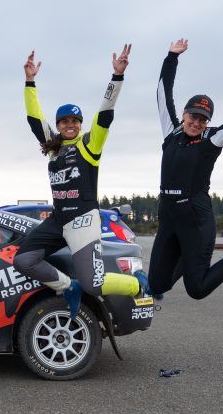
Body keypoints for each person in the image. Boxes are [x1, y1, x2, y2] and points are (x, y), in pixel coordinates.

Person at [13, 46, 142, 319]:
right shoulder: (53, 146)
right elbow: (34, 118)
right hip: (58, 220)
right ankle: (67, 287)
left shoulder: (89, 144)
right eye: (64, 121)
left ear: (81, 123)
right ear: (58, 125)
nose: (69, 124)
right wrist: (29, 81)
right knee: (23, 260)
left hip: (83, 221)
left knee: (93, 284)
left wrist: (117, 77)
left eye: (74, 120)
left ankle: (137, 283)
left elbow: (105, 113)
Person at [146, 38, 223, 300]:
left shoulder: (212, 139)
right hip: (169, 219)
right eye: (193, 116)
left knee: (197, 289)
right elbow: (162, 92)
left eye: (202, 119)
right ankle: (187, 257)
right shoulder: (171, 132)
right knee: (156, 284)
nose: (196, 122)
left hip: (196, 221)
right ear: (184, 114)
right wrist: (171, 57)